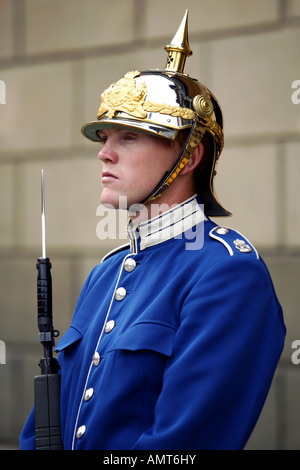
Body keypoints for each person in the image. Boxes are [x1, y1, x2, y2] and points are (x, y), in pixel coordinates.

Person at [20, 11, 285, 450]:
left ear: (190, 157)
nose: (104, 153)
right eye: (105, 136)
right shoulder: (106, 272)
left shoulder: (228, 274)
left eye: (128, 137)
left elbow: (183, 445)